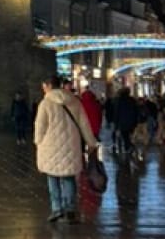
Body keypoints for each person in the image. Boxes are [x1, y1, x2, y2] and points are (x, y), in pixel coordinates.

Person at [34, 76, 99, 224]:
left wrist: (38, 142)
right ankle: (70, 208)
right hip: (71, 145)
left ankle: (57, 208)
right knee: (68, 177)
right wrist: (91, 142)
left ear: (48, 85)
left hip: (50, 147)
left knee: (52, 178)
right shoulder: (74, 101)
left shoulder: (45, 103)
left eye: (44, 85)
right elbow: (84, 124)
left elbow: (40, 127)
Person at [113, 88, 139, 155]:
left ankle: (128, 147)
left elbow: (117, 112)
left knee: (125, 135)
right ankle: (129, 146)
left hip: (123, 122)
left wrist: (116, 124)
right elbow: (136, 111)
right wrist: (136, 121)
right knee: (128, 135)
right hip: (131, 121)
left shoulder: (119, 100)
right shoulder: (132, 100)